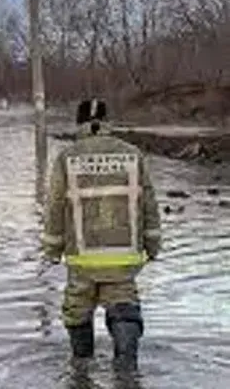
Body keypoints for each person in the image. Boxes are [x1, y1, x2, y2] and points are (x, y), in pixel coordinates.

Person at [42, 98, 161, 372]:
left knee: (77, 312)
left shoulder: (67, 158)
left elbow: (55, 207)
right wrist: (153, 246)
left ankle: (81, 371)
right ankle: (126, 369)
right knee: (124, 309)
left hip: (82, 260)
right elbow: (149, 204)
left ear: (79, 123)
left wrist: (51, 251)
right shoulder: (132, 155)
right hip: (123, 257)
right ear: (107, 122)